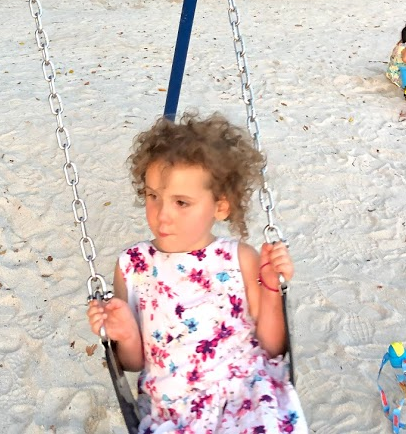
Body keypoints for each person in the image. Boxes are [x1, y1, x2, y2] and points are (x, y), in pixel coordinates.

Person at [87, 113, 307, 434]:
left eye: (181, 202)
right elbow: (133, 363)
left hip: (246, 394)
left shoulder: (241, 259)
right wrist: (125, 333)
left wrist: (272, 288)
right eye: (153, 196)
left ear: (220, 206)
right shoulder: (133, 266)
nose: (163, 215)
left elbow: (272, 347)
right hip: (175, 408)